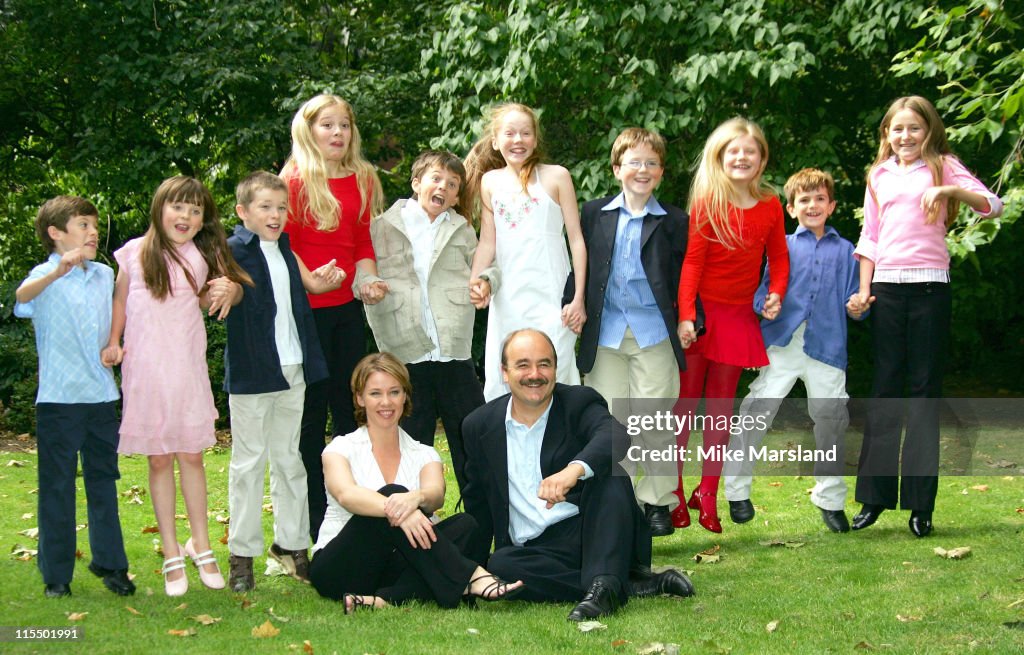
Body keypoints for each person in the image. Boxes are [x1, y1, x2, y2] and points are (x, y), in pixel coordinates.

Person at [461, 329, 695, 622]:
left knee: (610, 473)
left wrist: (574, 470)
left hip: (595, 530)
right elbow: (478, 505)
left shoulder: (578, 402)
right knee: (502, 564)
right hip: (537, 552)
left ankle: (606, 582)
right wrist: (470, 572)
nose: (535, 374)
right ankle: (619, 583)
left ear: (556, 369)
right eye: (523, 365)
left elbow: (615, 435)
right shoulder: (479, 426)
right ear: (504, 373)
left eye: (544, 364)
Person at [848, 96, 1002, 537]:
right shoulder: (877, 174)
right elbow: (871, 236)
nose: (905, 136)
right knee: (885, 390)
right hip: (887, 290)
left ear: (929, 131)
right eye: (897, 129)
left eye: (914, 128)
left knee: (922, 393)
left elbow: (994, 205)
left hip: (932, 290)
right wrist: (863, 290)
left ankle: (921, 506)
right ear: (886, 134)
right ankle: (874, 500)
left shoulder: (944, 165)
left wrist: (951, 190)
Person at [106, 176, 251, 596]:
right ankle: (171, 551)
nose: (185, 216)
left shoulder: (202, 254)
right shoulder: (134, 252)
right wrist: (114, 341)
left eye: (195, 210)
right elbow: (120, 300)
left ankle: (200, 544)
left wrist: (231, 289)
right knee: (157, 460)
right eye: (178, 207)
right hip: (146, 371)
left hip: (186, 368)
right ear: (160, 207)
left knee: (191, 455)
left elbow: (215, 298)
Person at [308, 352, 524, 611]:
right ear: (359, 398)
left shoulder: (424, 453)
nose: (386, 402)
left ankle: (383, 600)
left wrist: (415, 499)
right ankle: (472, 576)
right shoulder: (340, 448)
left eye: (394, 392)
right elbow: (346, 495)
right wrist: (401, 509)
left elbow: (435, 495)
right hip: (341, 567)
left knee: (466, 525)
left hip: (394, 566)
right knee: (392, 493)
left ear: (405, 396)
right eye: (375, 393)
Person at [723, 168, 866, 533]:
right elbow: (762, 292)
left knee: (832, 423)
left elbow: (857, 299)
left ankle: (830, 498)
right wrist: (765, 305)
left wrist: (857, 306)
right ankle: (736, 490)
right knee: (756, 413)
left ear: (832, 206)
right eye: (804, 200)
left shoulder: (849, 251)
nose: (812, 205)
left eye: (820, 199)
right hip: (782, 344)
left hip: (827, 347)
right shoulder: (781, 246)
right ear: (791, 208)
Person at [223, 172, 347, 592]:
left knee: (290, 461)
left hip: (293, 369)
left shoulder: (285, 249)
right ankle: (242, 556)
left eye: (280, 207)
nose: (276, 215)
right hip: (253, 373)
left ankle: (293, 546)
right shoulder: (232, 252)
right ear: (243, 212)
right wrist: (222, 289)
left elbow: (307, 284)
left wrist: (324, 278)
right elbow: (221, 291)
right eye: (265, 207)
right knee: (248, 464)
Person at [571, 127, 696, 537]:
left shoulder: (675, 221)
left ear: (660, 173)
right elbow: (580, 267)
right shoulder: (593, 214)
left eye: (651, 163)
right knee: (610, 422)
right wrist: (572, 302)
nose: (642, 169)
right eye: (634, 162)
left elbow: (687, 276)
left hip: (654, 334)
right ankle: (617, 502)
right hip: (605, 335)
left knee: (654, 419)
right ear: (616, 168)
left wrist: (689, 318)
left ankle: (657, 502)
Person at [673, 117, 790, 533]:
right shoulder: (707, 201)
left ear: (761, 159)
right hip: (701, 317)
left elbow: (778, 256)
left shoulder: (771, 204)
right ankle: (673, 492)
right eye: (733, 151)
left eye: (750, 151)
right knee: (684, 409)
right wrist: (686, 314)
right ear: (719, 158)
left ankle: (708, 492)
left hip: (738, 316)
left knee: (720, 413)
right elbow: (692, 262)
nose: (741, 157)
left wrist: (775, 292)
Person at [14, 196, 134, 599]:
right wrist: (56, 272)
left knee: (104, 482)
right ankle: (57, 575)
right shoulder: (43, 276)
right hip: (58, 401)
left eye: (95, 226)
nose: (93, 232)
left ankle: (111, 565)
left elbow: (121, 314)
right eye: (83, 225)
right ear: (56, 232)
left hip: (101, 397)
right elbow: (22, 298)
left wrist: (117, 345)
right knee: (57, 487)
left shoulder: (103, 275)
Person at [281, 94, 386, 543]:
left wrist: (369, 279)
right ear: (309, 130)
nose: (337, 133)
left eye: (344, 125)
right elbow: (284, 245)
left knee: (350, 413)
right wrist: (312, 283)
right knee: (310, 418)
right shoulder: (293, 179)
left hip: (346, 312)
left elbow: (362, 242)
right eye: (327, 125)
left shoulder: (362, 177)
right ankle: (307, 527)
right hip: (307, 314)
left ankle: (352, 518)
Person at [365, 151, 498, 494]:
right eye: (436, 178)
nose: (443, 187)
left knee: (473, 445)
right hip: (405, 353)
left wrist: (486, 281)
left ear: (457, 197)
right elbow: (362, 269)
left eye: (452, 184)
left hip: (453, 353)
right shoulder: (382, 227)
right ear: (416, 183)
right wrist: (366, 284)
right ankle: (410, 530)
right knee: (409, 445)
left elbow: (490, 265)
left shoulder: (463, 230)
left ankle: (480, 531)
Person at [465, 103, 586, 400]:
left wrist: (579, 298)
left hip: (553, 295)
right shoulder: (490, 182)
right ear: (496, 141)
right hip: (508, 298)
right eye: (509, 133)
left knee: (558, 365)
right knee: (507, 371)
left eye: (525, 133)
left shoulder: (557, 176)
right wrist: (476, 281)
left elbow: (577, 240)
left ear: (535, 139)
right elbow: (487, 242)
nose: (517, 140)